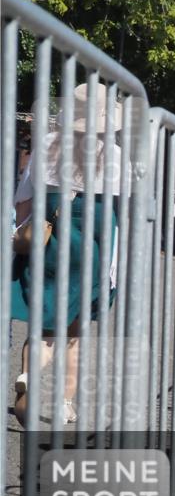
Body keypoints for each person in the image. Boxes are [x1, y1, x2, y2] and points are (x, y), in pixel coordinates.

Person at [10, 83, 121, 427]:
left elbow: (23, 201)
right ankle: (65, 404)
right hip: (92, 247)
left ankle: (28, 377)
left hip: (49, 242)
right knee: (72, 333)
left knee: (43, 329)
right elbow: (123, 215)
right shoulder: (114, 157)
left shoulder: (46, 147)